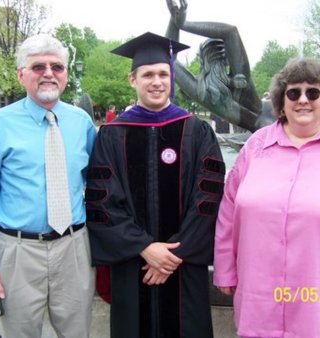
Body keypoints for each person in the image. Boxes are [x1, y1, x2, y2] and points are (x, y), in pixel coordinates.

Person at [213, 57, 320, 338]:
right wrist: (224, 268)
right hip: (259, 300)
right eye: (294, 92)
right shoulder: (255, 148)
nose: (303, 100)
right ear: (282, 100)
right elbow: (228, 211)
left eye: (313, 92)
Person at [85, 32, 225, 338]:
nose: (157, 82)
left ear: (171, 78)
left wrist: (173, 254)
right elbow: (102, 202)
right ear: (132, 80)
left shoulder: (197, 131)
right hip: (133, 264)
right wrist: (145, 247)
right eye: (148, 74)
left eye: (164, 74)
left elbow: (209, 196)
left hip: (182, 264)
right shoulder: (111, 134)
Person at [0, 34, 96, 338]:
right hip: (17, 252)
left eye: (57, 67)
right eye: (38, 66)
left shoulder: (82, 123)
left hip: (73, 247)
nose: (49, 73)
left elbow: (100, 186)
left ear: (65, 75)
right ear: (21, 74)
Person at [166, 0, 274, 132]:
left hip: (271, 116)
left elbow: (168, 59)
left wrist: (176, 22)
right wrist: (181, 24)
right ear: (227, 60)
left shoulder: (201, 91)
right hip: (272, 122)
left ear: (201, 60)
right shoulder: (240, 80)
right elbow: (230, 32)